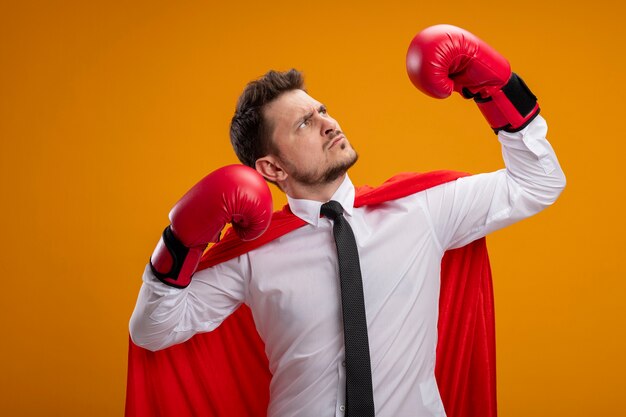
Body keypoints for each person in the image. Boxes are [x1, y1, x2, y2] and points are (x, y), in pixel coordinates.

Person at [129, 24, 566, 417]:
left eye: (321, 109)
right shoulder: (253, 255)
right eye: (304, 123)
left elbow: (539, 183)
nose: (327, 123)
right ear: (272, 169)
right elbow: (154, 330)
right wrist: (181, 240)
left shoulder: (423, 208)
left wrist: (497, 87)